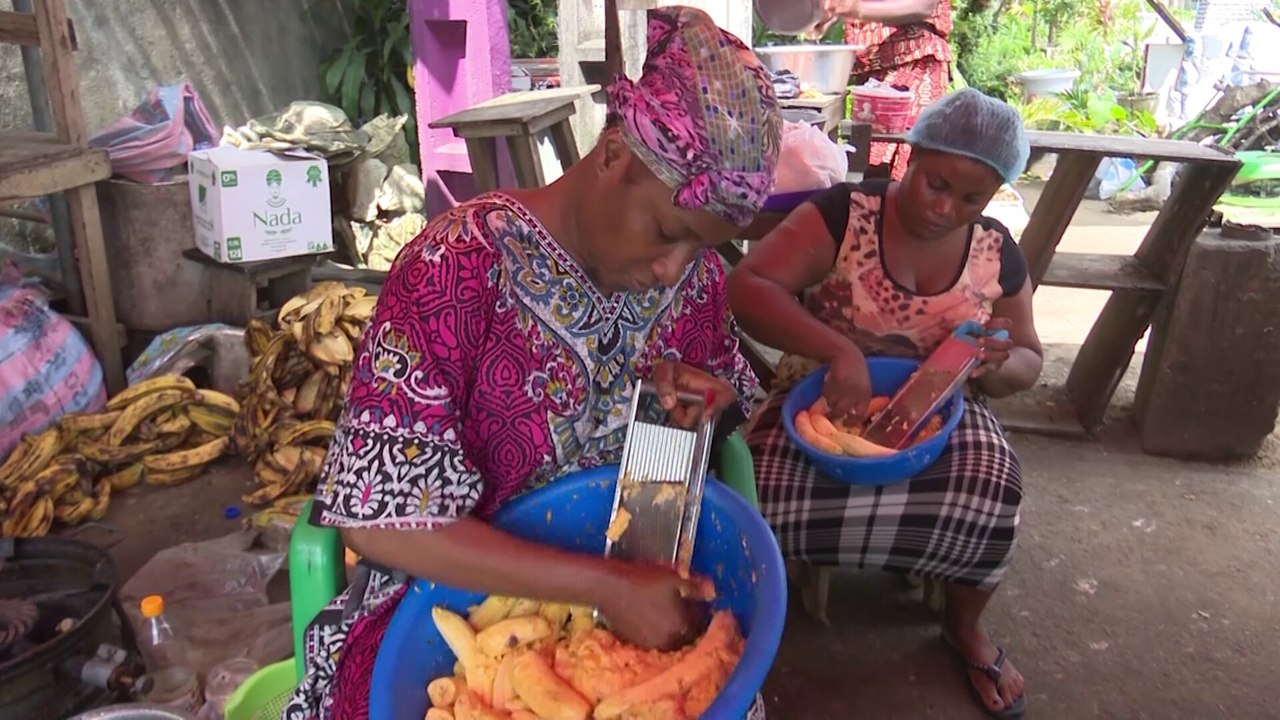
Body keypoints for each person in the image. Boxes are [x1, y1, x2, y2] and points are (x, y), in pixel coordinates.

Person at [281, 7, 780, 719]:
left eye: (701, 249)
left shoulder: (693, 290)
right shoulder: (455, 270)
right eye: (668, 233)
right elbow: (376, 521)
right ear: (612, 156)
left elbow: (690, 447)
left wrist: (699, 414)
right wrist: (599, 586)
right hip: (447, 613)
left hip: (641, 589)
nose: (674, 270)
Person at [726, 88, 1039, 720]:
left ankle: (962, 626)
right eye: (936, 183)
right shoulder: (845, 214)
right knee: (758, 487)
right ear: (912, 154)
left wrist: (1001, 363)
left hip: (941, 407)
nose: (945, 208)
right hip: (817, 391)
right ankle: (755, 624)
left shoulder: (996, 250)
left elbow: (1030, 359)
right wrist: (839, 352)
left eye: (970, 198)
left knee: (992, 488)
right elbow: (746, 287)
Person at [816, 0, 955, 180]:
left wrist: (854, 8)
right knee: (867, 170)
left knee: (907, 167)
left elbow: (923, 6)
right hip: (874, 74)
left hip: (915, 62)